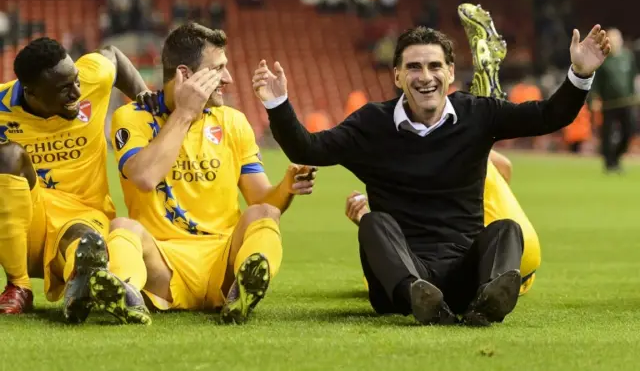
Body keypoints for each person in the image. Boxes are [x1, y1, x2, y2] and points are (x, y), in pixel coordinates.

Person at [252, 21, 610, 326]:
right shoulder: (372, 124)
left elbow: (548, 116)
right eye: (414, 68)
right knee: (375, 224)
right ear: (397, 75)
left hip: (464, 272)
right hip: (400, 276)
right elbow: (308, 148)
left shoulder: (477, 115)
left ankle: (490, 298)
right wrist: (277, 104)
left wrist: (580, 74)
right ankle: (418, 297)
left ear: (451, 72)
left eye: (435, 66)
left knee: (507, 230)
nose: (426, 77)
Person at [105, 22, 317, 325]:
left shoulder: (233, 122)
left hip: (223, 265)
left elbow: (261, 198)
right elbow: (144, 177)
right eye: (218, 69)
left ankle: (242, 290)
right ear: (185, 75)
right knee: (122, 228)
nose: (228, 78)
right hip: (162, 265)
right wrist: (185, 113)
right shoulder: (131, 117)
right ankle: (126, 294)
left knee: (265, 214)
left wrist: (286, 187)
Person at [0, 37, 159, 323]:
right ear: (32, 92)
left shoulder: (92, 77)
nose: (76, 92)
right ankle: (19, 285)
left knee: (85, 242)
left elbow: (113, 56)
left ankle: (85, 283)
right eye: (64, 89)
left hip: (83, 212)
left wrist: (142, 94)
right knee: (7, 157)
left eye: (75, 81)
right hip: (26, 227)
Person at [345, 150, 541, 297]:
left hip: (438, 265)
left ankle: (416, 295)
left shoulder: (404, 169)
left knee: (393, 260)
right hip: (518, 254)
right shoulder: (464, 144)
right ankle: (490, 294)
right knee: (506, 227)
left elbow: (391, 245)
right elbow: (505, 165)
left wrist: (363, 220)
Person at [589, 28, 638, 173]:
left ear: (621, 40)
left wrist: (633, 94)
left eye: (617, 39)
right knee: (607, 133)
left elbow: (632, 78)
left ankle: (616, 156)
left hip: (626, 102)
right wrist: (594, 99)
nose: (615, 42)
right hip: (608, 104)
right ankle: (609, 163)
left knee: (629, 132)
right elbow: (595, 82)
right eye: (612, 39)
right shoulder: (602, 59)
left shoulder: (628, 57)